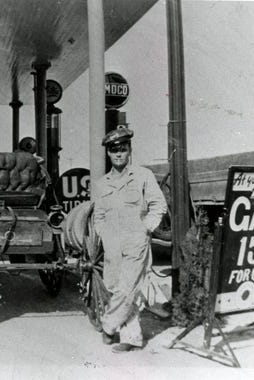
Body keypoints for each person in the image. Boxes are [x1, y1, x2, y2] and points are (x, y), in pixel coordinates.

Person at [91, 127, 167, 353]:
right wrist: (104, 234)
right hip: (112, 244)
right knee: (116, 287)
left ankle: (109, 326)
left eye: (123, 150)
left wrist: (146, 228)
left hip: (136, 242)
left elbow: (158, 205)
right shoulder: (101, 184)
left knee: (127, 287)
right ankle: (131, 337)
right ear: (108, 154)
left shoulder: (143, 176)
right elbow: (99, 216)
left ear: (129, 151)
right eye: (114, 151)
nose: (118, 155)